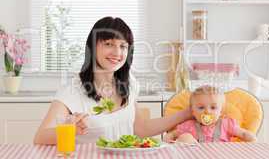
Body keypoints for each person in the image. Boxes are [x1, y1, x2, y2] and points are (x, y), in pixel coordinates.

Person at [34, 16, 191, 144]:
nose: (117, 52)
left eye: (123, 46)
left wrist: (187, 113)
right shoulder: (73, 90)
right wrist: (70, 129)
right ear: (92, 47)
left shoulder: (129, 83)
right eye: (108, 44)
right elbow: (40, 137)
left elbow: (140, 129)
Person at [163, 85, 257, 143]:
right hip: (195, 155)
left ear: (220, 112)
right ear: (193, 112)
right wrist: (168, 138)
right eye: (201, 108)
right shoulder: (189, 125)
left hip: (221, 155)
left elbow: (243, 133)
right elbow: (173, 134)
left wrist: (251, 138)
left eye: (213, 108)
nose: (207, 111)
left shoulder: (227, 124)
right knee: (185, 137)